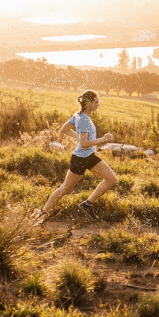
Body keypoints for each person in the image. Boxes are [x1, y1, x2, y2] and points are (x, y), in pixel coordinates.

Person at [33, 90, 118, 223]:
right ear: (88, 103)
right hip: (80, 159)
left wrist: (79, 138)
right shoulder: (83, 119)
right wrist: (103, 139)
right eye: (96, 102)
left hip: (90, 155)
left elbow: (64, 129)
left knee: (112, 180)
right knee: (65, 189)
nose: (98, 105)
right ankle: (42, 213)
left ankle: (88, 204)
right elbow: (84, 144)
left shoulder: (78, 116)